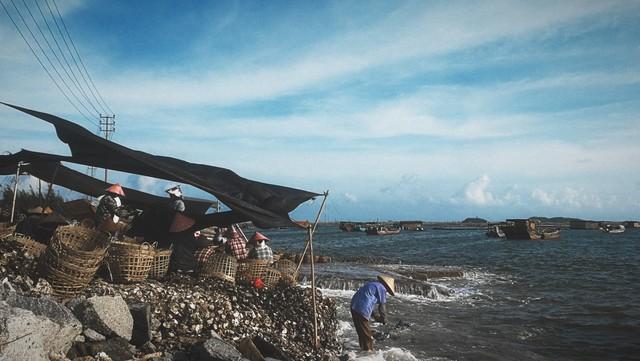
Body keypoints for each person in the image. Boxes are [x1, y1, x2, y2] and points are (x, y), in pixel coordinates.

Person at [350, 275, 395, 351]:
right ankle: (368, 354)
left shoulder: (372, 284)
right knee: (368, 336)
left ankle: (361, 352)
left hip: (353, 306)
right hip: (361, 309)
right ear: (387, 287)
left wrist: (375, 316)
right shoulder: (382, 288)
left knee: (361, 333)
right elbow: (382, 307)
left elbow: (367, 301)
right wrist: (384, 319)